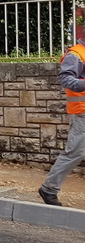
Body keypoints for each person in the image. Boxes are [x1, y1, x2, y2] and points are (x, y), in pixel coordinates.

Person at [39, 39, 85, 206]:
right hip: (81, 111)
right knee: (76, 152)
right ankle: (49, 189)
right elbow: (66, 79)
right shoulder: (76, 54)